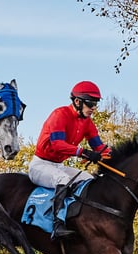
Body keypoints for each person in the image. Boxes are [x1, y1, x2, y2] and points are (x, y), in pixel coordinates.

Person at [29, 81, 112, 239]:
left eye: (95, 104)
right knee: (64, 179)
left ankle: (81, 219)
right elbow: (57, 145)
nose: (93, 108)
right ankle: (57, 224)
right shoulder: (59, 114)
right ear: (77, 101)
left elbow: (99, 147)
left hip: (58, 166)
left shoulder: (87, 122)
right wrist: (83, 152)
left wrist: (116, 156)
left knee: (87, 179)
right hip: (39, 165)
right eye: (90, 104)